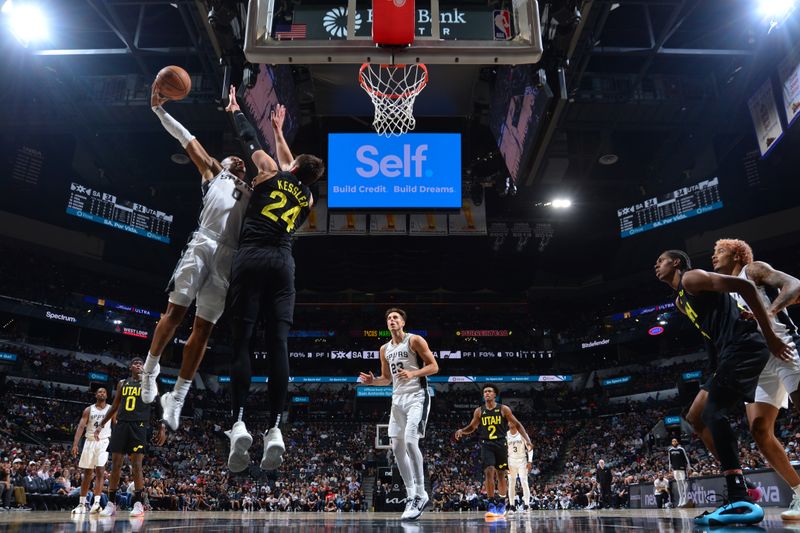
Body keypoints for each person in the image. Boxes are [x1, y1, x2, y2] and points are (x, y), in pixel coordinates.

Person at [222, 85, 325, 473]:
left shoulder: (265, 172)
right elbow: (292, 169)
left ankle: (238, 422)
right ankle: (276, 429)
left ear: (292, 165)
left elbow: (249, 139)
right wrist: (281, 133)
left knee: (242, 340)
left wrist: (236, 110)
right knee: (278, 343)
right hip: (284, 262)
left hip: (251, 256)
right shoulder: (308, 200)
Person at [140, 83, 253, 431]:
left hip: (229, 258)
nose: (238, 160)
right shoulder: (213, 173)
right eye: (233, 158)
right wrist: (159, 109)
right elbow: (185, 137)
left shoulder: (252, 193)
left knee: (203, 329)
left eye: (241, 161)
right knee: (176, 311)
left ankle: (178, 395)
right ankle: (150, 369)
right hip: (203, 243)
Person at [655, 249, 792, 526]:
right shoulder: (681, 301)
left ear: (677, 262)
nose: (656, 265)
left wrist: (769, 335)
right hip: (728, 353)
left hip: (747, 345)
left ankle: (738, 497)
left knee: (713, 413)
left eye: (661, 260)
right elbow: (710, 337)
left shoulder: (692, 279)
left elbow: (745, 287)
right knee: (695, 417)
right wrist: (715, 368)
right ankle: (742, 483)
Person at [711, 238, 800, 520]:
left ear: (736, 254)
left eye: (720, 251)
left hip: (783, 348)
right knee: (760, 429)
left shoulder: (752, 270)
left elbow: (795, 285)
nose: (714, 257)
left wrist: (769, 314)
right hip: (757, 361)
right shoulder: (724, 289)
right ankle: (799, 492)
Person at [358, 308, 439, 520]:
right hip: (397, 400)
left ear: (403, 322)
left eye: (395, 317)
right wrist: (372, 382)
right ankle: (411, 494)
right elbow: (387, 378)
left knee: (412, 442)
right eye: (389, 318)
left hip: (417, 397)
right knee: (396, 447)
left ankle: (422, 493)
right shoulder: (384, 349)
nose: (392, 320)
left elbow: (434, 366)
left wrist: (413, 373)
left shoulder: (415, 340)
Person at [95, 358, 167, 517]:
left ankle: (138, 503)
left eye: (141, 364)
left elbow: (160, 405)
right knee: (115, 465)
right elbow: (114, 406)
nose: (139, 365)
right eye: (136, 363)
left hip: (139, 426)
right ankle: (111, 504)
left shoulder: (149, 384)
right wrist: (101, 424)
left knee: (136, 465)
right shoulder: (122, 383)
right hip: (122, 425)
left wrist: (162, 426)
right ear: (130, 367)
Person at [455, 384, 532, 518]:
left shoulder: (503, 409)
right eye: (485, 391)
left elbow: (518, 424)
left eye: (490, 391)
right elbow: (472, 427)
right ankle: (491, 504)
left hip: (501, 444)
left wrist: (527, 440)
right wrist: (463, 431)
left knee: (501, 475)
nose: (487, 393)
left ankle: (502, 503)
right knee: (489, 471)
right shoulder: (479, 411)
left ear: (495, 394)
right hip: (486, 444)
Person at [71, 387, 112, 514]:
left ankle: (96, 503)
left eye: (104, 392)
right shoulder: (89, 409)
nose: (102, 393)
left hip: (103, 441)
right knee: (87, 474)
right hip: (89, 441)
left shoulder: (111, 409)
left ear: (106, 395)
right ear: (96, 394)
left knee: (100, 471)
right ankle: (82, 504)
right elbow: (81, 427)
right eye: (99, 391)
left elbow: (116, 424)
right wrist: (75, 444)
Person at [506, 426, 532, 514]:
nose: (510, 422)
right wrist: (505, 464)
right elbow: (503, 451)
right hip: (511, 462)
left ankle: (527, 505)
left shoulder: (523, 434)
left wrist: (530, 461)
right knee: (511, 483)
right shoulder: (506, 435)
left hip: (522, 460)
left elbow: (530, 448)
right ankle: (512, 506)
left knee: (524, 481)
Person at [668, 438, 692, 508]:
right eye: (672, 441)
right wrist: (669, 468)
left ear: (677, 442)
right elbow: (670, 460)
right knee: (678, 484)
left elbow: (686, 458)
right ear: (672, 443)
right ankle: (681, 499)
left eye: (675, 441)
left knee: (684, 483)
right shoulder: (670, 450)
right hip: (675, 469)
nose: (674, 442)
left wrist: (689, 467)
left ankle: (685, 498)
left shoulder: (681, 449)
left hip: (682, 468)